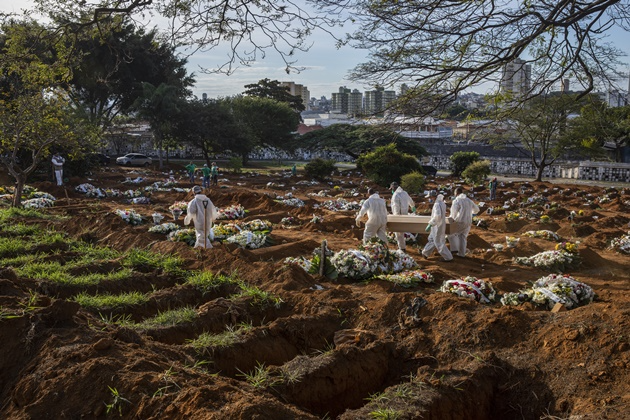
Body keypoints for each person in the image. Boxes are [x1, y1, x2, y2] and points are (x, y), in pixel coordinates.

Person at [448, 187, 480, 257]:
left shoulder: (456, 201)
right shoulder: (469, 200)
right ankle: (461, 254)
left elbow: (453, 214)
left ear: (456, 193)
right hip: (468, 222)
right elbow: (477, 210)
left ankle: (454, 249)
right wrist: (471, 213)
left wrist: (450, 220)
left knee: (451, 234)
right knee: (462, 237)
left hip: (460, 221)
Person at [422, 194, 453, 261]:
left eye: (430, 197)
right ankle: (425, 253)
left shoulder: (437, 205)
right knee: (432, 239)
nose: (430, 199)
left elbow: (437, 216)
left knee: (439, 242)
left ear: (434, 197)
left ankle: (448, 257)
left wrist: (430, 224)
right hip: (439, 225)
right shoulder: (442, 203)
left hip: (437, 226)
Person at [389, 182, 416, 251]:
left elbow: (396, 208)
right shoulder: (405, 193)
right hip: (405, 216)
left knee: (398, 233)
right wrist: (412, 207)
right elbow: (411, 201)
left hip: (399, 216)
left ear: (393, 188)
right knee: (402, 232)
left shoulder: (395, 195)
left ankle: (402, 248)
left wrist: (395, 217)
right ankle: (402, 247)